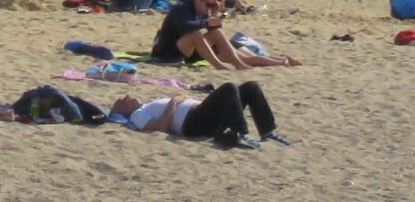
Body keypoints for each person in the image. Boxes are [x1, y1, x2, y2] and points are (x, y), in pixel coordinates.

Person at [150, 0, 298, 70]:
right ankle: (220, 65)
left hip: (191, 48)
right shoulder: (182, 8)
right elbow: (186, 27)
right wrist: (207, 22)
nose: (209, 8)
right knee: (196, 34)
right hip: (170, 51)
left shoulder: (203, 11)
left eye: (212, 5)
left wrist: (214, 16)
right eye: (208, 4)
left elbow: (214, 29)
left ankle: (279, 60)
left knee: (223, 38)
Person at [110, 83, 289, 150]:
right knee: (229, 88)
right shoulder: (137, 115)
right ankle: (240, 133)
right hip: (192, 124)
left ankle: (267, 131)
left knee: (251, 87)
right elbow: (160, 128)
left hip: (202, 115)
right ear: (123, 111)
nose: (127, 96)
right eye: (122, 100)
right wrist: (174, 102)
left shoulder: (146, 106)